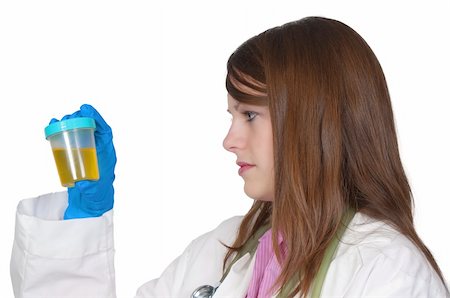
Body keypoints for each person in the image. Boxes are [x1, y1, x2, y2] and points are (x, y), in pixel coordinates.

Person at [10, 16, 449, 298]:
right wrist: (83, 219)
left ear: (317, 121)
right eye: (232, 115)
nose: (230, 140)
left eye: (250, 115)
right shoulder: (228, 248)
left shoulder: (386, 271)